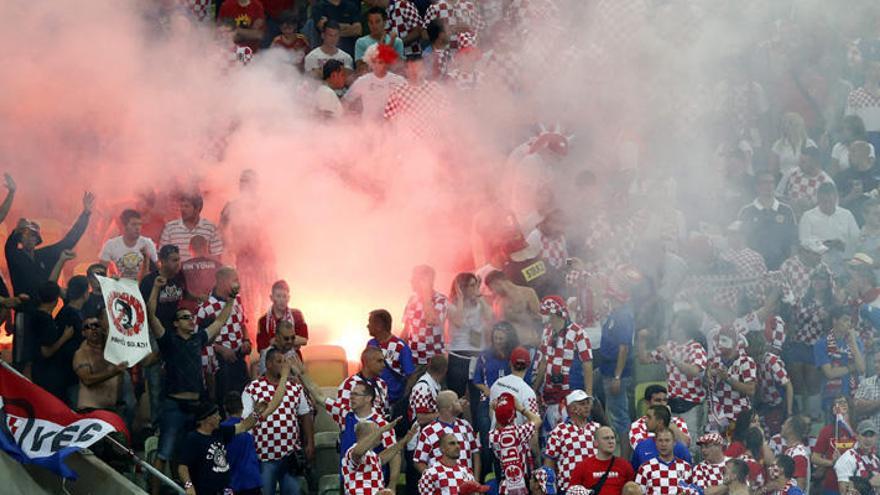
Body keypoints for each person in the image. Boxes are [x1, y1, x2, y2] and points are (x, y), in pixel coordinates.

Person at [147, 275, 235, 495]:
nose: (191, 320)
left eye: (191, 316)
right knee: (164, 452)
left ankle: (190, 489)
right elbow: (150, 315)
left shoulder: (198, 340)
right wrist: (156, 289)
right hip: (174, 405)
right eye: (185, 317)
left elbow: (219, 322)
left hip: (196, 408)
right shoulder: (168, 340)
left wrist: (231, 300)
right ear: (176, 323)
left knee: (190, 454)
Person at [177, 389, 284, 495]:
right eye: (217, 415)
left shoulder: (220, 432)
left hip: (225, 490)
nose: (220, 418)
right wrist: (189, 486)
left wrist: (256, 413)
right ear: (208, 418)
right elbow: (182, 466)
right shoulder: (193, 439)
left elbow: (244, 426)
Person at [242, 348, 314, 495]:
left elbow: (305, 414)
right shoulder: (253, 388)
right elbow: (246, 422)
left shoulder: (295, 387)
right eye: (279, 361)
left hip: (289, 455)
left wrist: (310, 442)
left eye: (285, 362)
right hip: (263, 456)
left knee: (293, 492)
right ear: (268, 364)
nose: (284, 365)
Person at [222, 358, 294, 495]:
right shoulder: (247, 426)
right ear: (243, 407)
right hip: (251, 484)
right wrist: (284, 376)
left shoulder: (220, 431)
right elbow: (274, 403)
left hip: (230, 486)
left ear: (224, 408)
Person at [6, 190, 93, 300]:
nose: (28, 238)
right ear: (20, 239)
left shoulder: (44, 255)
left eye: (32, 235)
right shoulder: (14, 256)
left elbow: (69, 240)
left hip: (44, 309)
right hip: (25, 309)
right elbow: (10, 246)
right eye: (24, 235)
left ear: (37, 239)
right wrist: (17, 230)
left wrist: (85, 214)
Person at [637, 310, 707, 436]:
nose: (670, 328)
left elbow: (694, 371)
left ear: (682, 329)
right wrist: (641, 341)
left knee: (691, 442)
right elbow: (644, 359)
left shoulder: (696, 348)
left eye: (673, 325)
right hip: (672, 403)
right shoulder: (669, 346)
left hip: (691, 405)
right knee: (672, 438)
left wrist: (671, 357)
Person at [534, 295, 593, 431]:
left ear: (554, 314)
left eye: (546, 314)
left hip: (571, 392)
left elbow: (587, 363)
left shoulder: (578, 332)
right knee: (553, 432)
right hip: (551, 394)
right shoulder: (547, 332)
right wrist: (535, 388)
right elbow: (543, 361)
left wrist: (588, 396)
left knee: (573, 432)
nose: (544, 317)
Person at [595, 268, 638, 450]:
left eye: (611, 297)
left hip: (615, 372)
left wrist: (617, 377)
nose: (608, 300)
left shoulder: (623, 316)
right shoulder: (615, 313)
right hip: (606, 370)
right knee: (596, 400)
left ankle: (625, 458)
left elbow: (624, 348)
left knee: (620, 416)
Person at [197, 267, 252, 401]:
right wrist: (221, 350)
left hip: (239, 358)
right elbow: (197, 340)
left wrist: (246, 340)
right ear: (221, 281)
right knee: (225, 400)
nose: (238, 284)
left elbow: (243, 323)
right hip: (219, 363)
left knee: (245, 399)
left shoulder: (237, 299)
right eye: (234, 280)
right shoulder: (205, 307)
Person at [446, 272, 492, 419]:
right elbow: (458, 321)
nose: (474, 288)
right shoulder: (451, 305)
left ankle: (477, 433)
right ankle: (456, 429)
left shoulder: (479, 304)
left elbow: (490, 317)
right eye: (471, 286)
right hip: (458, 357)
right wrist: (460, 299)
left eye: (476, 285)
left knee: (477, 399)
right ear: (462, 288)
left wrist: (480, 296)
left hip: (477, 355)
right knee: (457, 398)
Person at [738, 171, 799, 270]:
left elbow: (794, 240)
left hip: (781, 266)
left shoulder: (786, 210)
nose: (768, 186)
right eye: (764, 183)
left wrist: (791, 264)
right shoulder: (746, 211)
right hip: (753, 266)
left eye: (771, 182)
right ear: (757, 187)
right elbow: (740, 240)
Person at [413, 390, 481, 478]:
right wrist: (435, 479)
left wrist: (476, 481)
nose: (460, 403)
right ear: (449, 407)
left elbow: (476, 453)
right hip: (443, 488)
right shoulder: (428, 431)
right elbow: (418, 461)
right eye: (456, 401)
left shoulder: (466, 425)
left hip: (467, 484)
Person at [543, 390, 601, 493]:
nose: (587, 406)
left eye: (588, 403)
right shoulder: (559, 431)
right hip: (568, 487)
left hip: (595, 486)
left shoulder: (597, 428)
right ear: (572, 408)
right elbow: (549, 464)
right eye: (582, 404)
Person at [406, 355, 448, 495]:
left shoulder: (434, 385)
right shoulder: (423, 387)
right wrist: (445, 412)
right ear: (444, 370)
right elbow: (421, 417)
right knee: (416, 485)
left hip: (427, 442)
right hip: (417, 443)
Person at [343, 419, 419, 495]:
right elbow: (357, 453)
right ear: (367, 435)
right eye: (376, 431)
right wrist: (382, 429)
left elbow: (383, 457)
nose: (381, 435)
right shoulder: (352, 450)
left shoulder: (371, 454)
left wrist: (405, 440)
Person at [799, 183, 860, 277]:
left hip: (844, 264)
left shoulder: (846, 215)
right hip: (817, 266)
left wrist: (843, 245)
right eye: (824, 202)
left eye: (830, 201)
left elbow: (857, 239)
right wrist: (824, 245)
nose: (827, 205)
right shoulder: (808, 216)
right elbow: (804, 242)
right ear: (818, 199)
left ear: (836, 198)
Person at [32, 282, 78, 402]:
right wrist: (64, 337)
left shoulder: (35, 314)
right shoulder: (46, 321)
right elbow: (46, 352)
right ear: (56, 299)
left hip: (39, 371)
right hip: (47, 375)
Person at [488, 393, 542, 495]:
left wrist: (497, 411)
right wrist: (521, 408)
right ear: (514, 414)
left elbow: (499, 426)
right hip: (523, 485)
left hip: (505, 486)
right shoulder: (519, 432)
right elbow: (537, 420)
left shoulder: (493, 436)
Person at [706, 326, 757, 433]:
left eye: (724, 340)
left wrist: (727, 378)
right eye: (719, 339)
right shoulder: (714, 362)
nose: (720, 343)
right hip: (718, 416)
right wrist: (708, 375)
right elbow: (706, 388)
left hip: (740, 415)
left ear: (734, 342)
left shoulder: (746, 361)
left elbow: (751, 390)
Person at [366, 308, 415, 418]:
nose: (367, 326)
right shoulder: (371, 344)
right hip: (373, 400)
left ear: (379, 326)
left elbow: (410, 375)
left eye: (370, 322)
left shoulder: (400, 347)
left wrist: (402, 402)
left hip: (393, 402)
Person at [72, 314, 127, 411]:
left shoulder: (113, 351)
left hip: (112, 409)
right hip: (90, 410)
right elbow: (87, 380)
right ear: (83, 333)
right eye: (88, 327)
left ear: (102, 329)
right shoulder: (81, 353)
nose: (93, 329)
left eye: (96, 325)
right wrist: (113, 372)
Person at [815, 307, 866, 409]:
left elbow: (861, 369)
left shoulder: (856, 342)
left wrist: (854, 344)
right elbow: (830, 373)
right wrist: (851, 367)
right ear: (835, 321)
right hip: (831, 396)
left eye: (850, 321)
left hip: (854, 394)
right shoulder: (822, 344)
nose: (848, 324)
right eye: (845, 320)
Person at [326, 347, 389, 426]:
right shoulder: (349, 384)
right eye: (379, 361)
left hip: (379, 431)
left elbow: (384, 411)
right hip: (358, 433)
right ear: (366, 362)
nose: (383, 365)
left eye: (383, 361)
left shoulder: (382, 383)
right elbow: (343, 415)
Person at [402, 265, 449, 368]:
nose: (411, 281)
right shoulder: (411, 300)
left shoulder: (441, 300)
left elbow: (431, 320)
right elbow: (406, 331)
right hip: (413, 361)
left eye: (414, 278)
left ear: (424, 281)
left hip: (434, 362)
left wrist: (426, 293)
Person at [343, 43, 405, 121]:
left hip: (392, 127)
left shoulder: (398, 80)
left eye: (380, 62)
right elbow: (346, 101)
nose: (376, 65)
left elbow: (408, 102)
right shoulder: (363, 81)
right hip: (369, 128)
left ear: (387, 63)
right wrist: (347, 117)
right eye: (374, 62)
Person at [812, 396, 858, 495]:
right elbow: (815, 458)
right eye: (838, 403)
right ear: (834, 410)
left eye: (845, 402)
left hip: (856, 483)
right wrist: (832, 462)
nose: (842, 404)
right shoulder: (826, 430)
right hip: (832, 484)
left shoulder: (858, 429)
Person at [569, 426, 636, 495]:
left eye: (612, 438)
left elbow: (634, 490)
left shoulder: (625, 466)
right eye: (606, 438)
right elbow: (572, 492)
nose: (611, 441)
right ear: (596, 443)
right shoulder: (582, 467)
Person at [159, 192, 223, 262]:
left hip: (202, 271)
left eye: (186, 206)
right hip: (178, 272)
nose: (182, 209)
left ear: (197, 209)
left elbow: (217, 256)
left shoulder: (210, 228)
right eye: (181, 206)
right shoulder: (170, 228)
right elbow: (162, 255)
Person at [485, 270, 542, 348]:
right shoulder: (497, 302)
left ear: (498, 283)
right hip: (508, 347)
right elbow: (496, 325)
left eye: (492, 289)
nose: (493, 292)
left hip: (528, 342)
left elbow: (538, 318)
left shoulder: (528, 293)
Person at [417, 434, 488, 495]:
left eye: (458, 443)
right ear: (442, 449)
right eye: (452, 443)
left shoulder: (467, 471)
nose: (457, 446)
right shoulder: (430, 473)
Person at [100, 209, 158, 280]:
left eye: (139, 224)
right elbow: (101, 271)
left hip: (143, 285)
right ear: (124, 226)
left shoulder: (147, 243)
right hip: (120, 286)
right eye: (134, 224)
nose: (138, 228)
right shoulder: (110, 245)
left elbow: (156, 271)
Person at [776, 146, 834, 216]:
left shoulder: (826, 181)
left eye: (803, 162)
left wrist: (811, 207)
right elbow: (777, 194)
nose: (799, 164)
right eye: (800, 161)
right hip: (790, 215)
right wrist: (789, 203)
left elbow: (832, 207)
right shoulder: (792, 173)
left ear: (814, 162)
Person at [631, 405, 693, 469]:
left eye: (649, 417)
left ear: (660, 422)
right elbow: (635, 474)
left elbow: (689, 473)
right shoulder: (641, 446)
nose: (645, 420)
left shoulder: (680, 449)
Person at [628, 385, 691, 449]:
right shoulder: (637, 426)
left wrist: (667, 422)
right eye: (658, 400)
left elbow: (685, 445)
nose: (662, 404)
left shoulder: (677, 421)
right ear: (647, 403)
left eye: (665, 400)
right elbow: (642, 450)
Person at [634, 429, 693, 495]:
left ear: (674, 443)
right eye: (660, 440)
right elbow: (637, 493)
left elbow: (692, 491)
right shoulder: (645, 468)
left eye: (667, 440)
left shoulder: (686, 467)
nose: (663, 444)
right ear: (656, 443)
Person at [255, 280, 307, 356]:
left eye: (284, 296)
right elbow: (261, 348)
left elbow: (304, 340)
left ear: (288, 298)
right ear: (272, 298)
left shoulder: (297, 315)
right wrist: (291, 340)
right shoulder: (263, 320)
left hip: (293, 358)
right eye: (278, 296)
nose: (282, 300)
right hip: (272, 360)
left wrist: (276, 341)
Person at [834, 420, 880, 495]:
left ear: (876, 438)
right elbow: (844, 491)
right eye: (864, 435)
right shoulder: (847, 458)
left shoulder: (877, 459)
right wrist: (869, 483)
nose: (868, 439)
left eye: (871, 435)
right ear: (857, 436)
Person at [771, 112, 817, 176]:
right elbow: (774, 169)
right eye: (784, 123)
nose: (786, 126)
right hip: (784, 180)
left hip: (803, 180)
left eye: (790, 124)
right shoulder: (778, 145)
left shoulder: (809, 143)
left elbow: (814, 166)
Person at [180, 235, 221, 304]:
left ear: (189, 248)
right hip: (212, 305)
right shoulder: (217, 265)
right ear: (206, 248)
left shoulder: (181, 266)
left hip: (189, 307)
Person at [777, 415, 811, 492]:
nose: (782, 426)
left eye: (784, 424)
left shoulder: (798, 454)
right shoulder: (791, 451)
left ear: (790, 429)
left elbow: (800, 486)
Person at [855, 351, 880, 429]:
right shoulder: (866, 383)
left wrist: (869, 403)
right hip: (872, 436)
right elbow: (857, 407)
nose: (876, 365)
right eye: (875, 362)